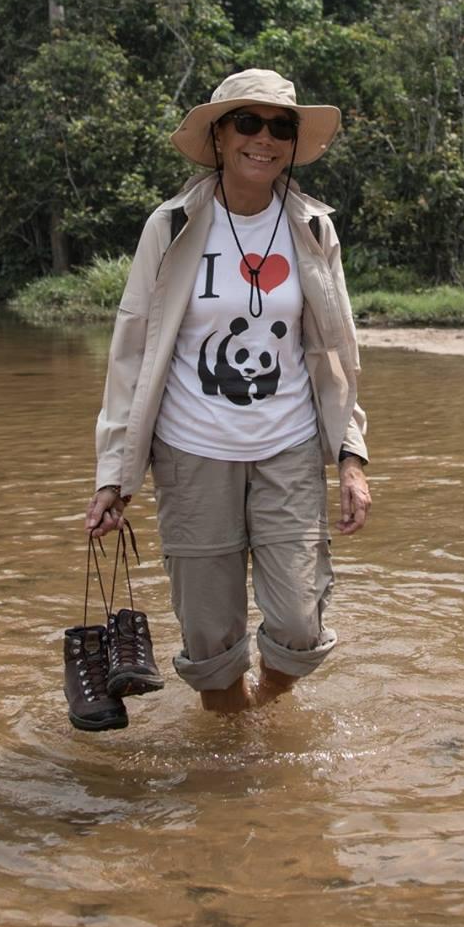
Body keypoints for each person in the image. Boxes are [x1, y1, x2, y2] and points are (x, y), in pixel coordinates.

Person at [86, 68, 372, 714]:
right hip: (191, 452)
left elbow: (336, 354)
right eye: (247, 122)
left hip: (289, 447)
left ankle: (267, 704)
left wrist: (351, 459)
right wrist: (114, 474)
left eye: (279, 126)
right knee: (211, 643)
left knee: (299, 621)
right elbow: (132, 351)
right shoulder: (172, 225)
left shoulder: (314, 229)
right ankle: (235, 761)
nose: (263, 138)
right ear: (217, 137)